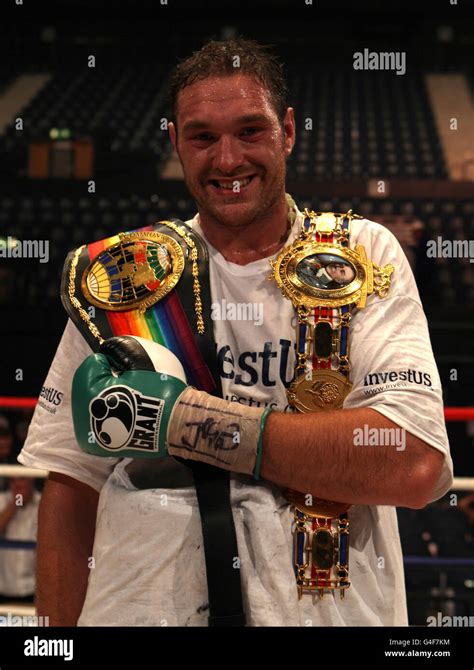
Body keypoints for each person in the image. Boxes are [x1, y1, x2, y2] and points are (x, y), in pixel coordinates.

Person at [18, 37, 453, 626]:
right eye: (202, 137)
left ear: (289, 132)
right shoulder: (125, 278)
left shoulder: (359, 254)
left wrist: (184, 423)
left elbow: (412, 463)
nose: (227, 160)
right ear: (174, 141)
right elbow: (71, 485)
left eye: (250, 131)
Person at [0, 477, 40, 602]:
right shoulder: (1, 500)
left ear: (31, 480)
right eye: (13, 481)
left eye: (21, 479)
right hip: (3, 589)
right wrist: (14, 504)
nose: (17, 485)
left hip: (33, 590)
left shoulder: (43, 503)